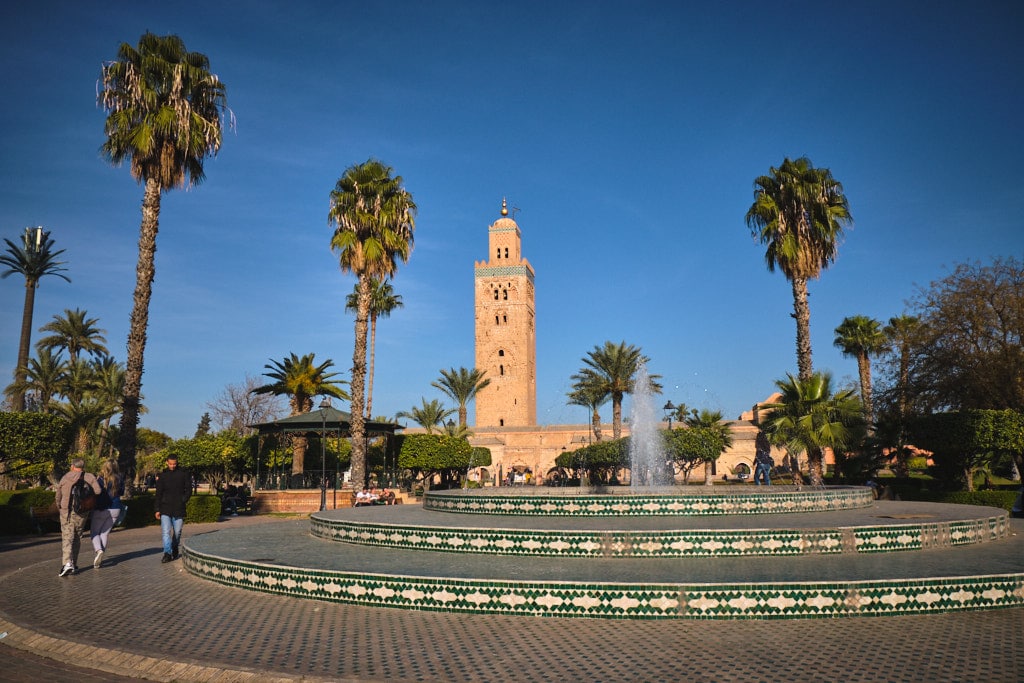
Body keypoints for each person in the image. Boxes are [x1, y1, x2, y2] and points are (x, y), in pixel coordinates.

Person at [55, 458, 101, 577]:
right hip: (82, 512)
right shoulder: (89, 476)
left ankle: (67, 563)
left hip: (66, 512)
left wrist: (59, 506)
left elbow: (58, 495)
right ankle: (74, 563)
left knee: (67, 537)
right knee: (76, 537)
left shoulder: (65, 477)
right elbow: (98, 491)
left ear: (72, 466)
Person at [154, 454, 191, 563]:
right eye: (170, 464)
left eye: (174, 464)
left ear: (177, 462)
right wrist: (157, 509)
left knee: (178, 532)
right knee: (165, 532)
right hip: (165, 508)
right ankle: (167, 553)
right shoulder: (162, 476)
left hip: (179, 507)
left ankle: (175, 546)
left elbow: (189, 489)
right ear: (167, 462)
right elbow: (158, 494)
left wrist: (183, 500)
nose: (172, 466)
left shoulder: (183, 474)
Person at [89, 459, 124, 568]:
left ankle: (99, 550)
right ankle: (100, 557)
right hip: (116, 508)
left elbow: (95, 492)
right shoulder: (119, 478)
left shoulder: (100, 479)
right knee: (104, 533)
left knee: (95, 532)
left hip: (101, 508)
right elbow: (122, 492)